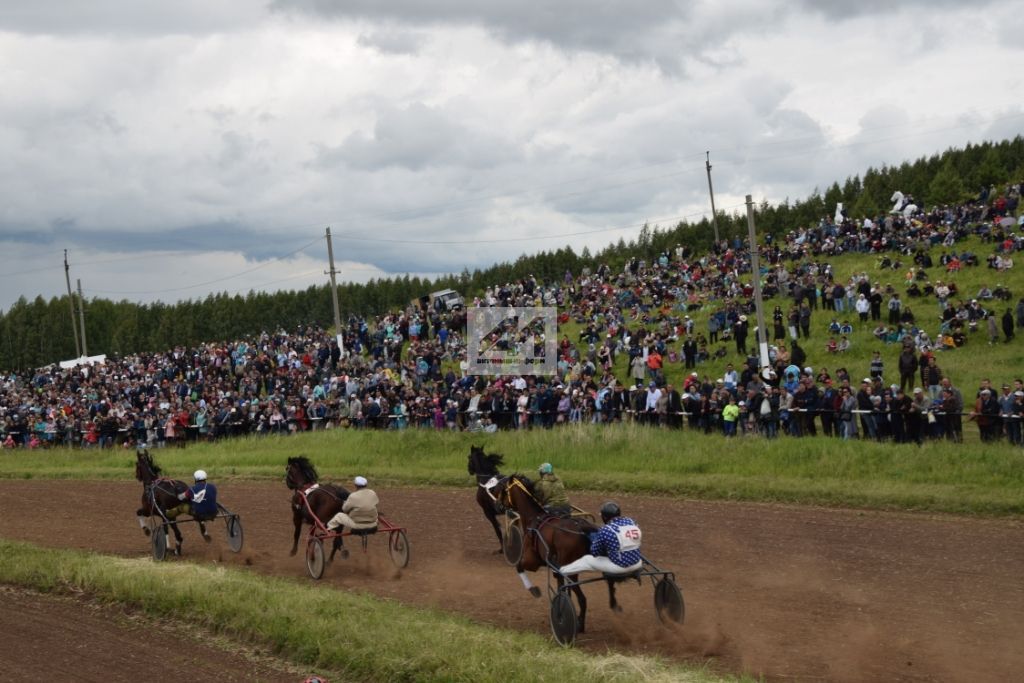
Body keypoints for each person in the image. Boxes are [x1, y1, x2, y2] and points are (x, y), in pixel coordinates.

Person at [556, 501, 643, 576]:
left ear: (604, 517)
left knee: (587, 560)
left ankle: (561, 571)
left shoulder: (606, 530)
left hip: (621, 567)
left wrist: (593, 537)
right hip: (638, 562)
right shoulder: (632, 522)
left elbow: (595, 552)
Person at [174, 469, 219, 540]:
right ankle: (203, 527)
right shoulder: (213, 487)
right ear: (205, 477)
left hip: (199, 515)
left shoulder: (191, 489)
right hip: (214, 513)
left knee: (181, 507)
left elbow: (181, 498)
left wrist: (178, 493)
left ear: (195, 479)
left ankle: (168, 514)